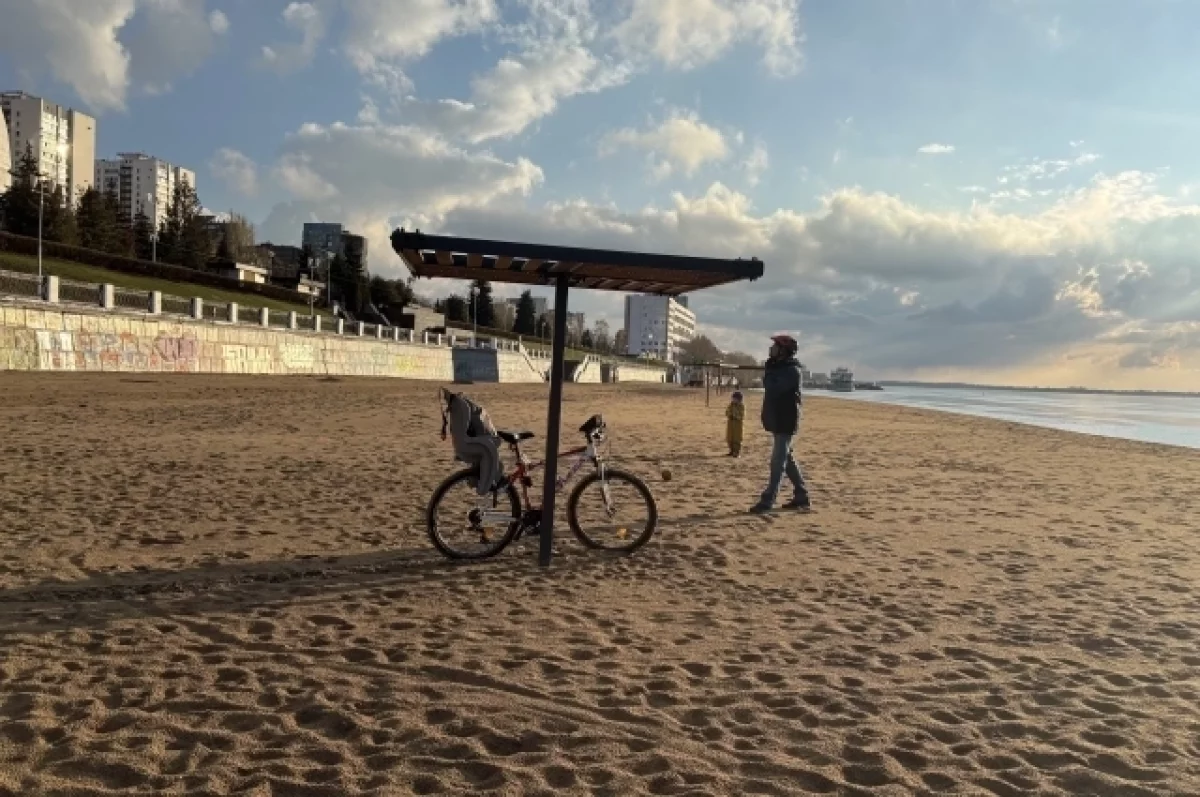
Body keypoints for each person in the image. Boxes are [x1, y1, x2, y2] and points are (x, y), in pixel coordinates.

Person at [751, 334, 812, 513]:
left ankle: (768, 499)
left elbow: (773, 388)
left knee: (778, 460)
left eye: (775, 346)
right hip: (778, 419)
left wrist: (769, 372)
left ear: (783, 351)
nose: (771, 349)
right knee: (787, 457)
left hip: (786, 420)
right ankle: (801, 495)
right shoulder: (780, 368)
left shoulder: (792, 371)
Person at [726, 390, 745, 457]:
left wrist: (735, 415)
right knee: (729, 438)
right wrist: (729, 414)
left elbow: (741, 415)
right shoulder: (731, 405)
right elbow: (727, 412)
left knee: (737, 439)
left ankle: (736, 452)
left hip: (737, 425)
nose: (733, 400)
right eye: (733, 398)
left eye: (735, 399)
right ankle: (731, 450)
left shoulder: (741, 406)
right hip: (730, 424)